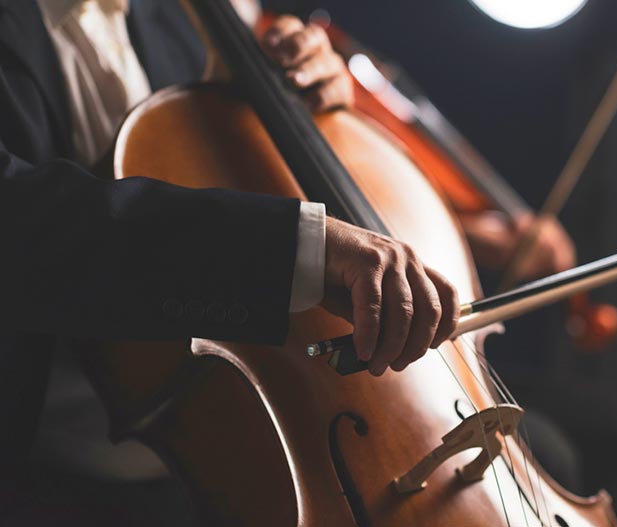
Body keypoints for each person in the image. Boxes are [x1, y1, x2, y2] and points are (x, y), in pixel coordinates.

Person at [0, 0, 575, 522]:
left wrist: (306, 104)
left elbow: (208, 171)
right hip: (80, 454)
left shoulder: (178, 17)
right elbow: (26, 224)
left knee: (557, 449)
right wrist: (299, 250)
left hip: (265, 398)